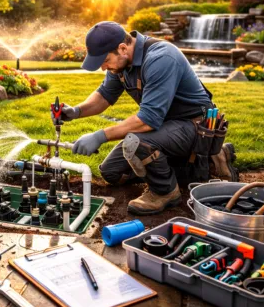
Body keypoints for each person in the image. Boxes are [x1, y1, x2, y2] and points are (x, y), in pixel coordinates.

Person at [62, 21, 238, 215]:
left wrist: (100, 136)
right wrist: (76, 111)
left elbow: (147, 120)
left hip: (194, 125)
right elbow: (105, 96)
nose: (103, 68)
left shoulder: (161, 58)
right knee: (112, 172)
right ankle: (204, 160)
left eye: (105, 61)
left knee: (136, 143)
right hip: (165, 126)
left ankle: (165, 192)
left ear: (122, 48)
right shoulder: (121, 64)